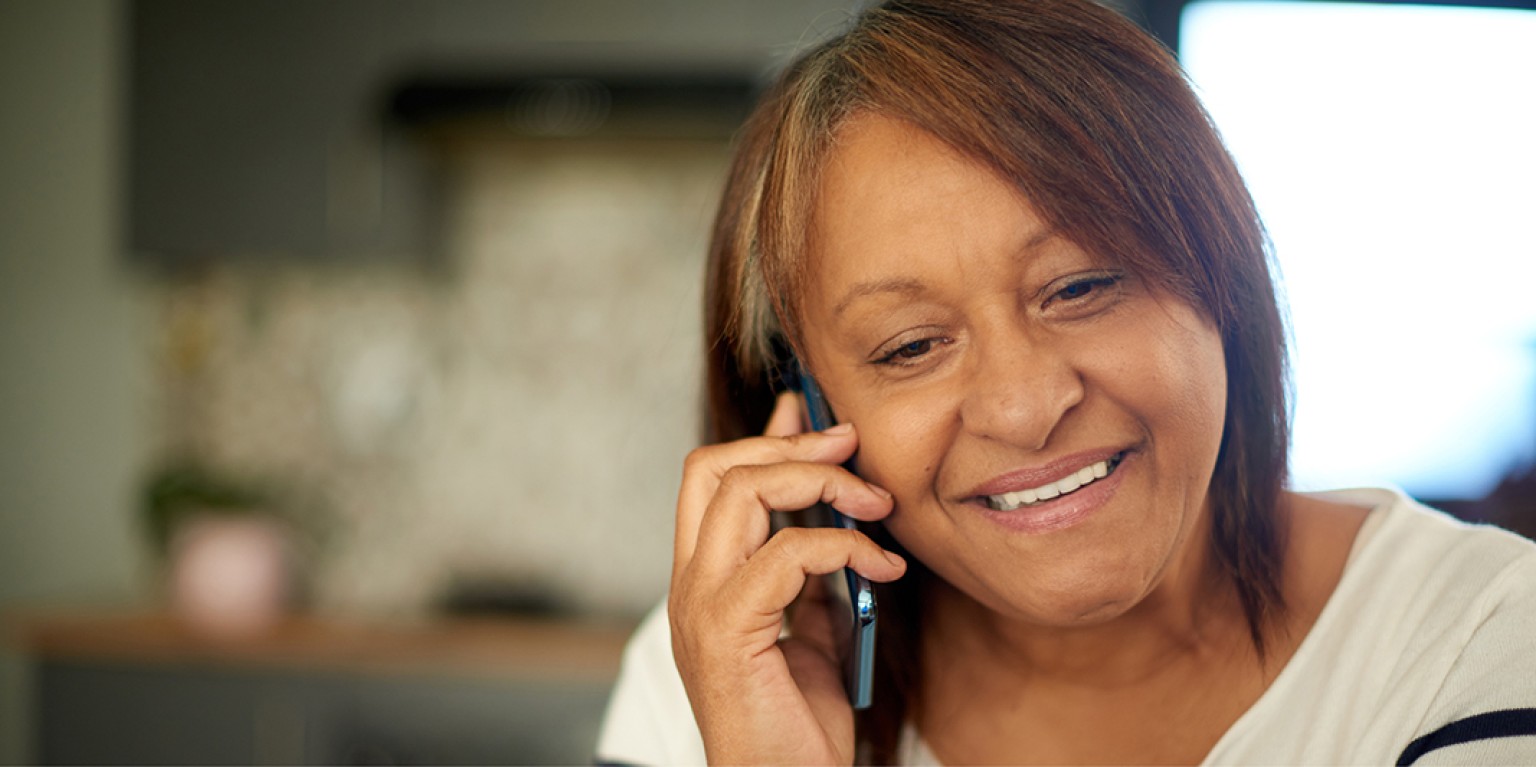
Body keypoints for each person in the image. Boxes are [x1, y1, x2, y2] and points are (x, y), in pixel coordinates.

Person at [595, 0, 1536, 763]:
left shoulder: (1481, 643)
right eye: (911, 345)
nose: (1024, 405)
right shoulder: (715, 680)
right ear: (809, 411)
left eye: (1081, 286)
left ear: (1224, 277)